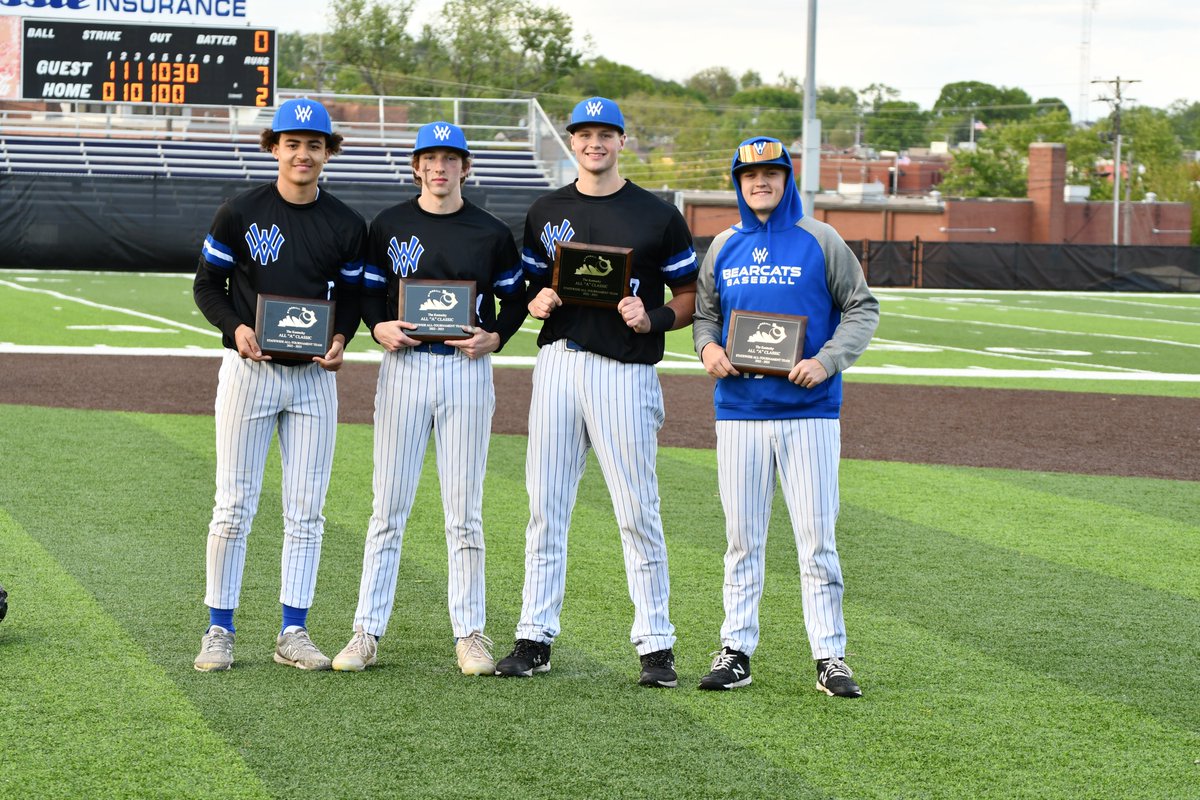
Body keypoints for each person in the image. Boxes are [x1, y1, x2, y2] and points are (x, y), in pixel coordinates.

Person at [494, 97, 698, 687]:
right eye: (584, 134)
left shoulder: (657, 214)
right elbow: (531, 285)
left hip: (624, 370)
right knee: (544, 510)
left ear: (621, 141)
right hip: (559, 364)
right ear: (573, 142)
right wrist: (534, 301)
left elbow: (686, 297)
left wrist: (654, 317)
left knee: (637, 511)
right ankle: (534, 638)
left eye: (605, 134)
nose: (594, 143)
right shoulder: (546, 209)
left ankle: (656, 646)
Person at [330, 122, 526, 675]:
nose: (440, 167)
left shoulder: (489, 231)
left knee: (464, 513)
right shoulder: (389, 225)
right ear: (416, 166)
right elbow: (367, 290)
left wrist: (496, 336)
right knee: (387, 509)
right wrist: (377, 325)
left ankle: (470, 633)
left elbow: (514, 298)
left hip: (465, 371)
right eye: (429, 157)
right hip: (405, 369)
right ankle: (365, 631)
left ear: (466, 167)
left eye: (450, 158)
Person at [692, 136, 879, 697]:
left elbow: (861, 306)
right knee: (743, 539)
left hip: (811, 414)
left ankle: (830, 654)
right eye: (749, 176)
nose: (760, 183)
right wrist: (708, 351)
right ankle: (736, 650)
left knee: (816, 539)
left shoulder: (820, 239)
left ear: (786, 177)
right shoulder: (723, 244)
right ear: (738, 183)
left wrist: (826, 361)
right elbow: (705, 314)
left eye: (771, 173)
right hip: (740, 413)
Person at [192, 98, 366, 672]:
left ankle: (294, 630)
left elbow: (351, 300)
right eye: (292, 143)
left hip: (314, 380)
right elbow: (207, 287)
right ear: (274, 148)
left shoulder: (345, 223)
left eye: (314, 144)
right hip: (250, 373)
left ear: (327, 153)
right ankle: (219, 629)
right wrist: (235, 327)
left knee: (307, 511)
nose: (303, 153)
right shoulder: (239, 212)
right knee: (233, 506)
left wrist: (341, 340)